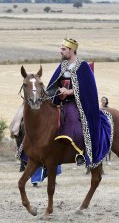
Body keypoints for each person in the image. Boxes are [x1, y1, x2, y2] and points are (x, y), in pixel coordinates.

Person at [46, 37, 112, 168]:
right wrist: (57, 90)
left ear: (72, 50)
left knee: (72, 121)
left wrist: (69, 92)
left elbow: (87, 89)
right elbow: (53, 84)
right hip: (61, 102)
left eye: (63, 49)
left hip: (77, 104)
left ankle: (79, 152)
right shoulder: (63, 66)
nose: (61, 51)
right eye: (61, 48)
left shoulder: (83, 67)